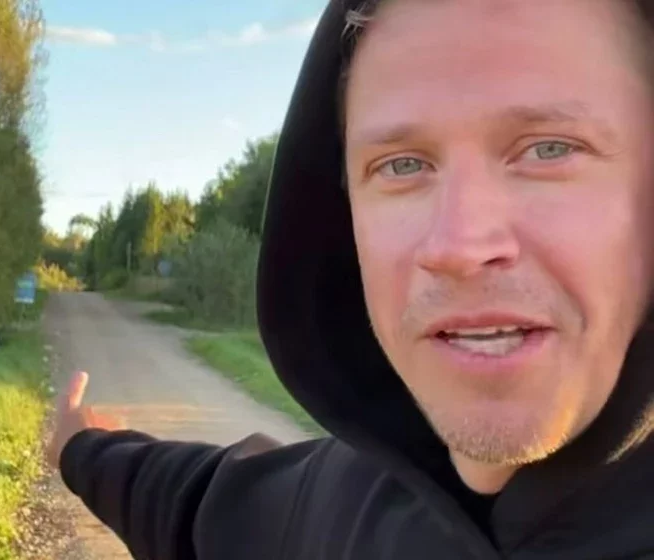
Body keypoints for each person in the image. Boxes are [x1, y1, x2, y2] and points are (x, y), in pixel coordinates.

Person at [46, 0, 654, 557]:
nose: (459, 247)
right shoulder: (328, 511)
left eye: (550, 149)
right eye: (403, 164)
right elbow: (192, 502)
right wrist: (81, 448)